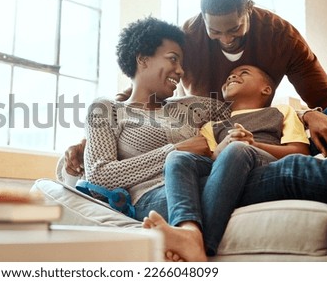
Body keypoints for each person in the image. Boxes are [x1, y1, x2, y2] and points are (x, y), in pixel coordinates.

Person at [63, 0, 327, 176]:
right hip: (201, 140)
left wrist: (309, 114)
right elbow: (143, 88)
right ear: (203, 18)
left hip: (260, 134)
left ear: (248, 8)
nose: (226, 39)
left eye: (234, 29)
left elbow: (326, 98)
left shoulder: (280, 36)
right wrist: (91, 140)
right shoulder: (189, 38)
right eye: (215, 32)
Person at [83, 16, 229, 261]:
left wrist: (306, 114)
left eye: (182, 63)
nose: (181, 71)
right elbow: (100, 175)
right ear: (143, 59)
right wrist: (176, 150)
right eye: (173, 59)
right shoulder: (107, 109)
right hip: (156, 196)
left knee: (294, 168)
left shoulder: (187, 107)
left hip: (209, 177)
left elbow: (234, 110)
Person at [143, 64, 317, 261]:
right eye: (230, 75)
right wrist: (221, 148)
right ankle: (188, 229)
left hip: (262, 163)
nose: (233, 76)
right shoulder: (212, 125)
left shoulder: (281, 111)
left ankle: (200, 244)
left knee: (238, 148)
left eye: (243, 73)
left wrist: (253, 144)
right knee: (177, 157)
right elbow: (211, 160)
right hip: (228, 168)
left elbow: (300, 151)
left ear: (266, 89)